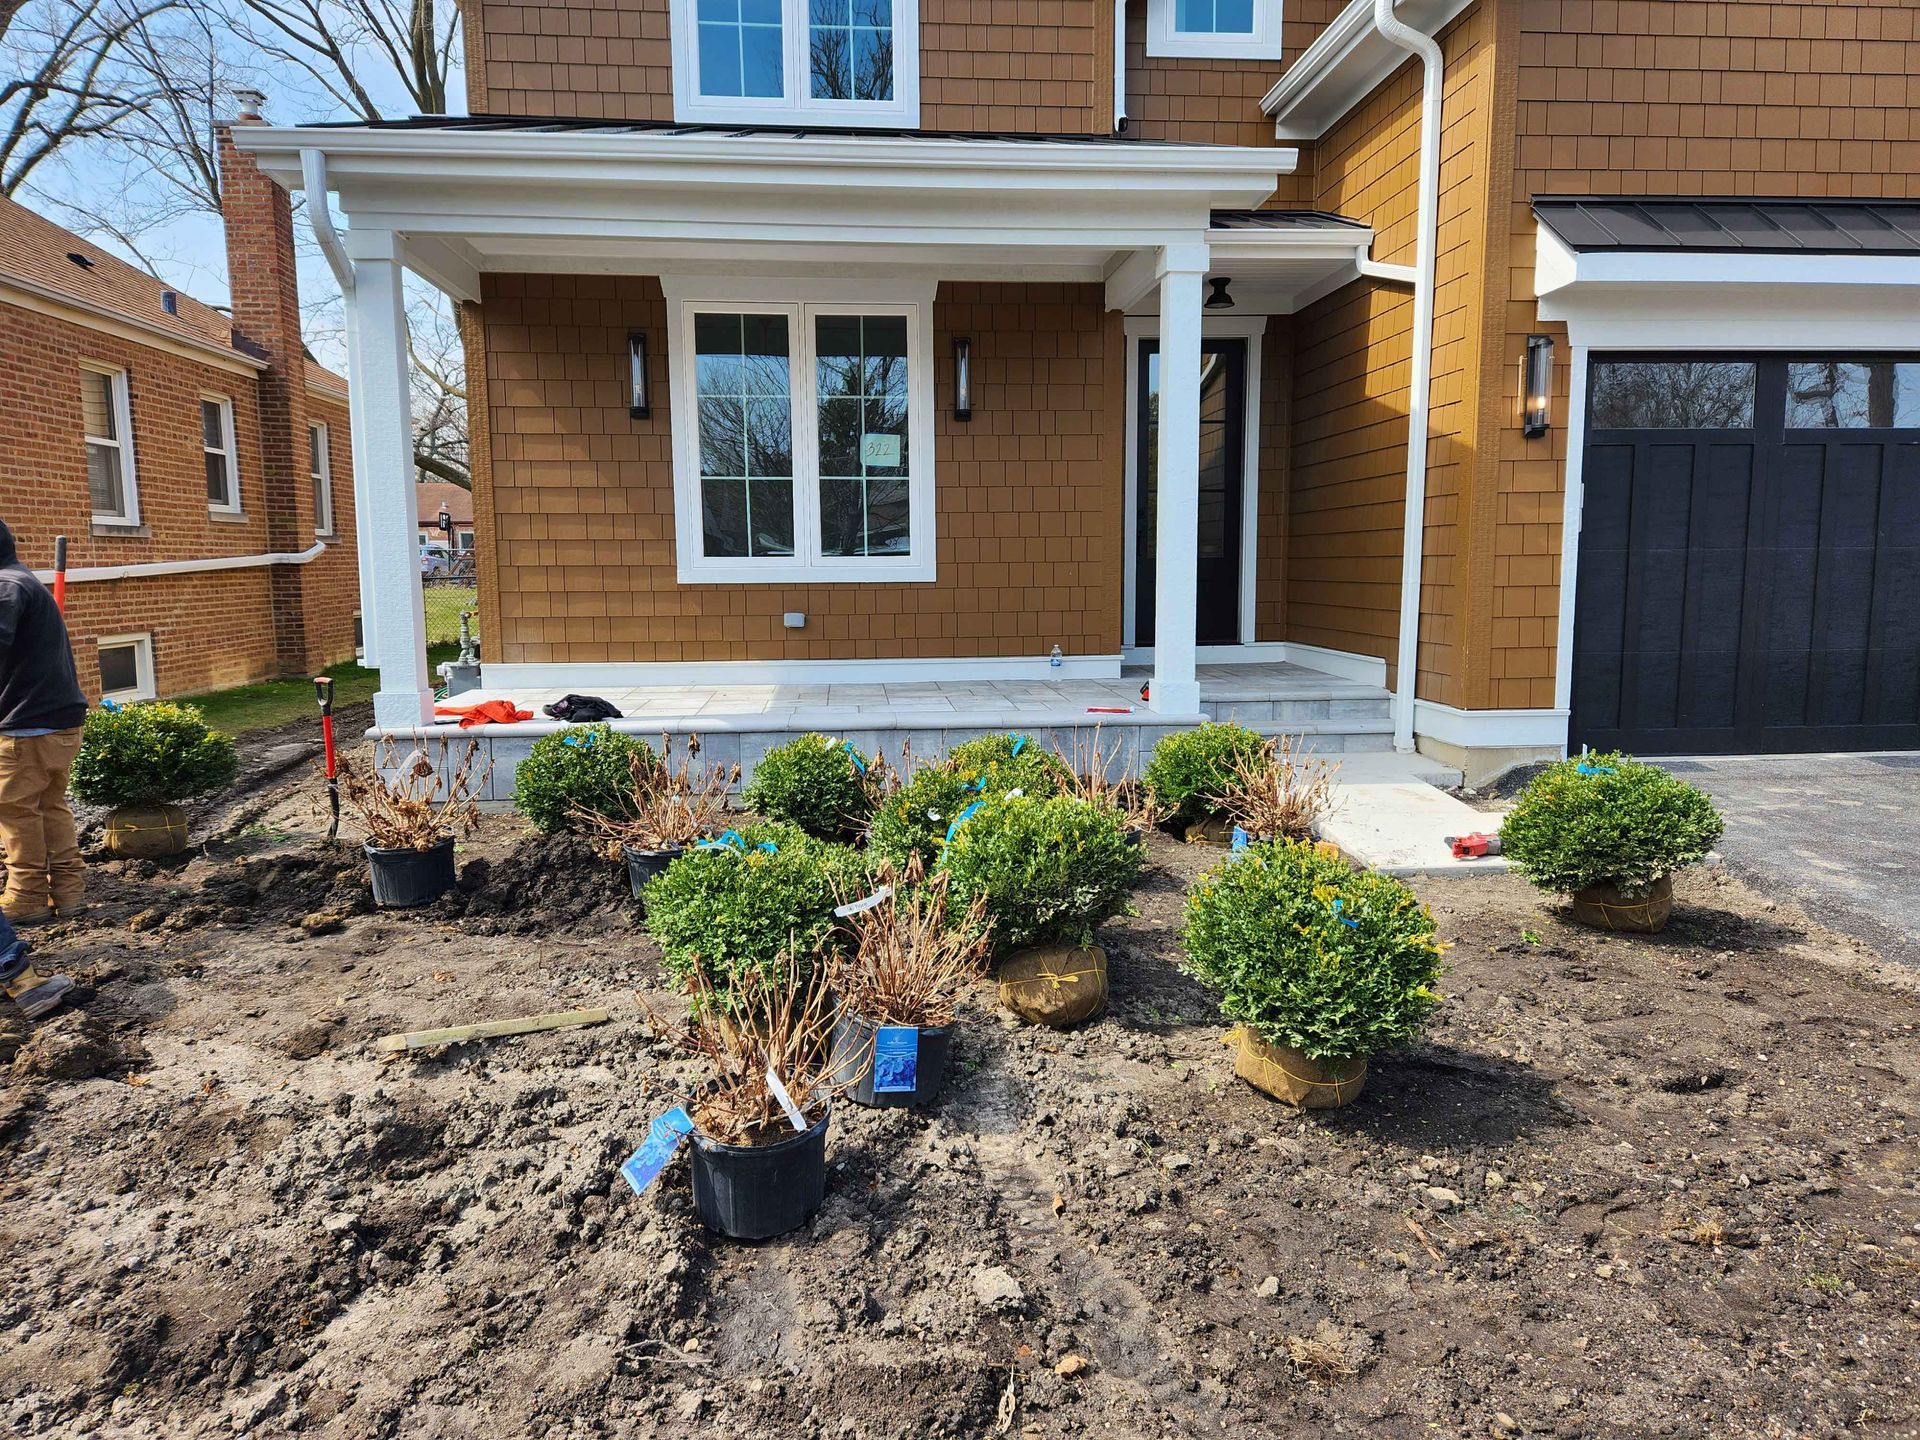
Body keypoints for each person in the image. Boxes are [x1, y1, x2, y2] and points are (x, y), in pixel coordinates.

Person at [0, 520, 89, 925]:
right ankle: (70, 893)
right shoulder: (22, 581)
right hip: (60, 721)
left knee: (17, 812)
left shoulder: (6, 587)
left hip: (25, 725)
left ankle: (26, 898)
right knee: (51, 805)